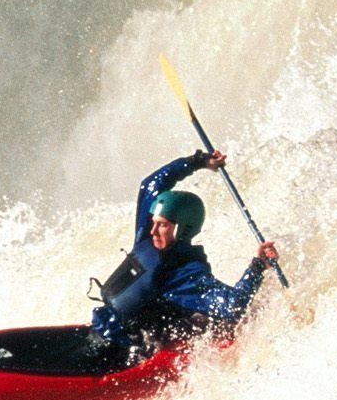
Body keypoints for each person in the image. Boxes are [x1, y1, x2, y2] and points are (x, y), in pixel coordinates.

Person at [90, 149, 278, 350]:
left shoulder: (185, 273)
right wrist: (197, 161)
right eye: (154, 222)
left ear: (182, 229)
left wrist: (257, 267)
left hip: (124, 351)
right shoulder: (147, 237)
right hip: (101, 327)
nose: (153, 230)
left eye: (162, 225)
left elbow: (232, 306)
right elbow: (150, 185)